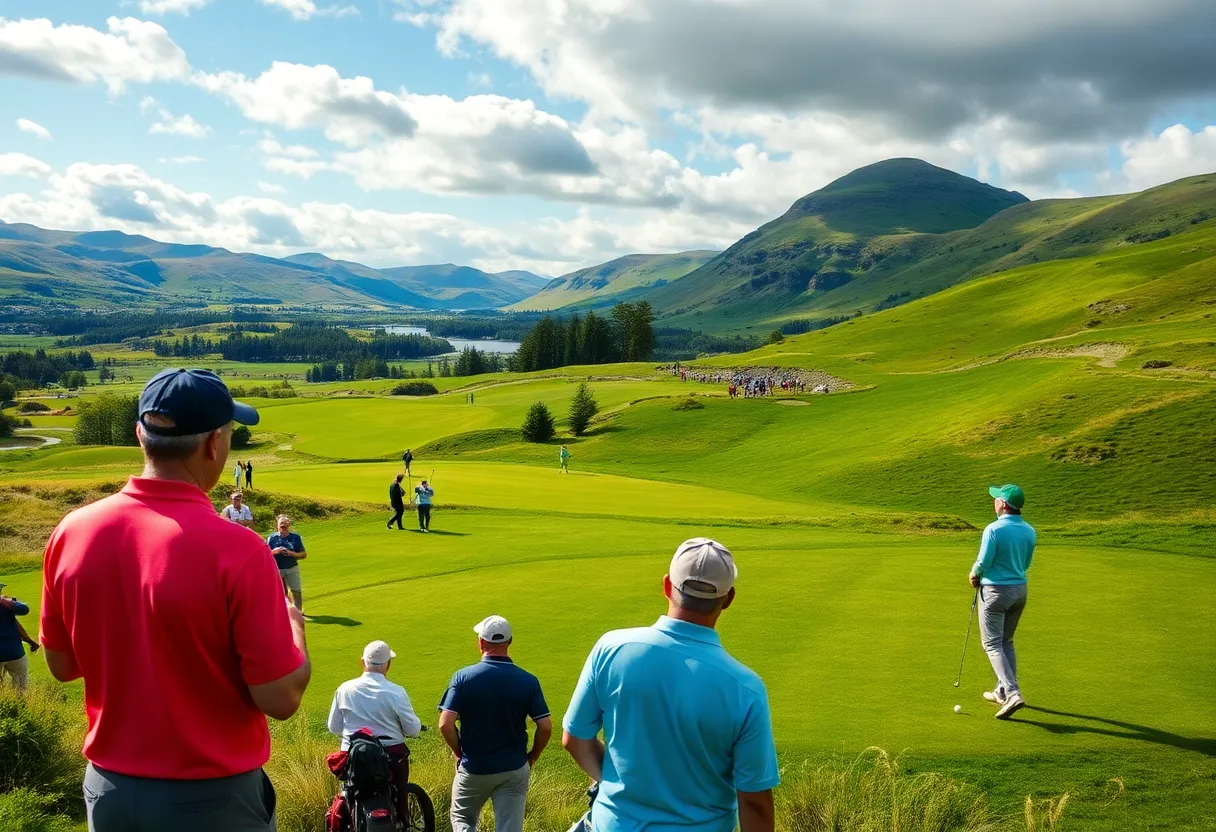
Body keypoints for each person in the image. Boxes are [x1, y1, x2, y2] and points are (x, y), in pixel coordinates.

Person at [40, 368, 310, 832]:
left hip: (108, 792)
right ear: (212, 446)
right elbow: (280, 697)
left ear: (140, 434)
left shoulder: (73, 530)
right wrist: (296, 629)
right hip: (212, 799)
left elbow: (63, 666)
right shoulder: (240, 550)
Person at [562, 538, 779, 832]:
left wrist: (618, 785)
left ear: (667, 586)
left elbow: (574, 740)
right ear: (728, 600)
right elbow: (754, 802)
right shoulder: (746, 688)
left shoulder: (611, 648)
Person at [438, 616, 551, 832]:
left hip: (474, 768)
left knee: (462, 819)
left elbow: (445, 724)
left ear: (481, 643)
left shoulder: (462, 678)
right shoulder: (528, 680)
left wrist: (458, 752)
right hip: (514, 768)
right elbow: (545, 726)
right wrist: (532, 756)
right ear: (509, 642)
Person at [328, 640, 422, 824]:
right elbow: (412, 728)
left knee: (348, 793)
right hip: (390, 755)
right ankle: (403, 820)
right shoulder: (396, 692)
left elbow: (334, 727)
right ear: (388, 665)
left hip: (353, 754)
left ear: (363, 662)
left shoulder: (344, 689)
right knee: (399, 788)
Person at [970, 484, 1036, 720]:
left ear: (1004, 504)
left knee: (992, 644)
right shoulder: (1029, 530)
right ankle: (1001, 689)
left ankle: (1012, 693)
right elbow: (1026, 563)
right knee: (1006, 641)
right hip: (1020, 590)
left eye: (997, 498)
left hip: (996, 591)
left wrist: (974, 574)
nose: (994, 501)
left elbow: (983, 560)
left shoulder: (994, 529)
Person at [1, 582, 38, 693]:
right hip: (14, 653)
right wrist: (6, 601)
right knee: (21, 687)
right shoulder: (6, 606)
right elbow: (24, 609)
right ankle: (20, 708)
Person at [267, 515, 307, 612]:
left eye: (286, 525)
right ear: (277, 526)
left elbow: (303, 554)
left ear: (289, 526)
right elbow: (265, 554)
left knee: (295, 590)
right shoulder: (271, 538)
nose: (283, 527)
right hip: (277, 569)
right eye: (281, 525)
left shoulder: (295, 537)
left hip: (291, 567)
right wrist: (274, 551)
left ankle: (298, 611)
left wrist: (291, 553)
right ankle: (285, 612)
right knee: (281, 591)